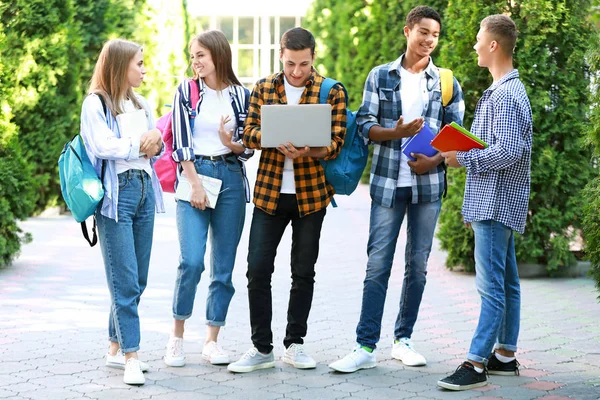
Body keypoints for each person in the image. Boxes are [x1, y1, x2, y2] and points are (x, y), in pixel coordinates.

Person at [329, 6, 465, 373]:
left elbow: (456, 136)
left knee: (418, 267)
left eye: (435, 34)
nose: (429, 40)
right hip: (389, 184)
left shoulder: (446, 81)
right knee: (377, 266)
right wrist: (397, 133)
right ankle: (364, 346)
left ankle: (403, 340)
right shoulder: (380, 76)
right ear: (408, 31)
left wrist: (433, 160)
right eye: (423, 31)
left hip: (429, 185)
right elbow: (366, 126)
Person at [227, 27, 347, 373]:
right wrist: (272, 138)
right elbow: (248, 132)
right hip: (269, 192)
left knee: (303, 272)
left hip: (311, 196)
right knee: (257, 270)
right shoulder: (264, 88)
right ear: (281, 55)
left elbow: (337, 140)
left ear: (313, 57)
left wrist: (311, 149)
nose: (297, 71)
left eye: (304, 64)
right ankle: (261, 348)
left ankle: (295, 344)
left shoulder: (331, 91)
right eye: (292, 63)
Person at [437, 14, 532, 391]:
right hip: (492, 203)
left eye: (479, 39)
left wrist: (463, 158)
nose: (475, 45)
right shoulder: (506, 91)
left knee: (490, 288)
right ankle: (505, 356)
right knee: (507, 283)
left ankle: (475, 363)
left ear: (494, 45)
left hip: (495, 205)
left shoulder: (506, 96)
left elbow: (508, 150)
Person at [163, 30, 253, 367]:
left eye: (200, 54)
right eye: (192, 56)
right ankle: (176, 336)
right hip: (194, 175)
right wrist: (195, 184)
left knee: (223, 267)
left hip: (230, 177)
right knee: (191, 261)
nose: (195, 62)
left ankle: (212, 340)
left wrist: (230, 142)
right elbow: (181, 143)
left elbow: (248, 147)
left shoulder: (242, 96)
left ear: (218, 54)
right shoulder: (186, 91)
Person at [80, 38, 165, 385]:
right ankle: (132, 354)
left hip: (144, 190)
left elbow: (155, 147)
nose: (144, 70)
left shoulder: (140, 101)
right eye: (139, 64)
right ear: (119, 66)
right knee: (125, 280)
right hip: (117, 196)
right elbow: (101, 145)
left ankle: (114, 347)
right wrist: (138, 143)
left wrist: (155, 141)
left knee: (137, 279)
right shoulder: (95, 103)